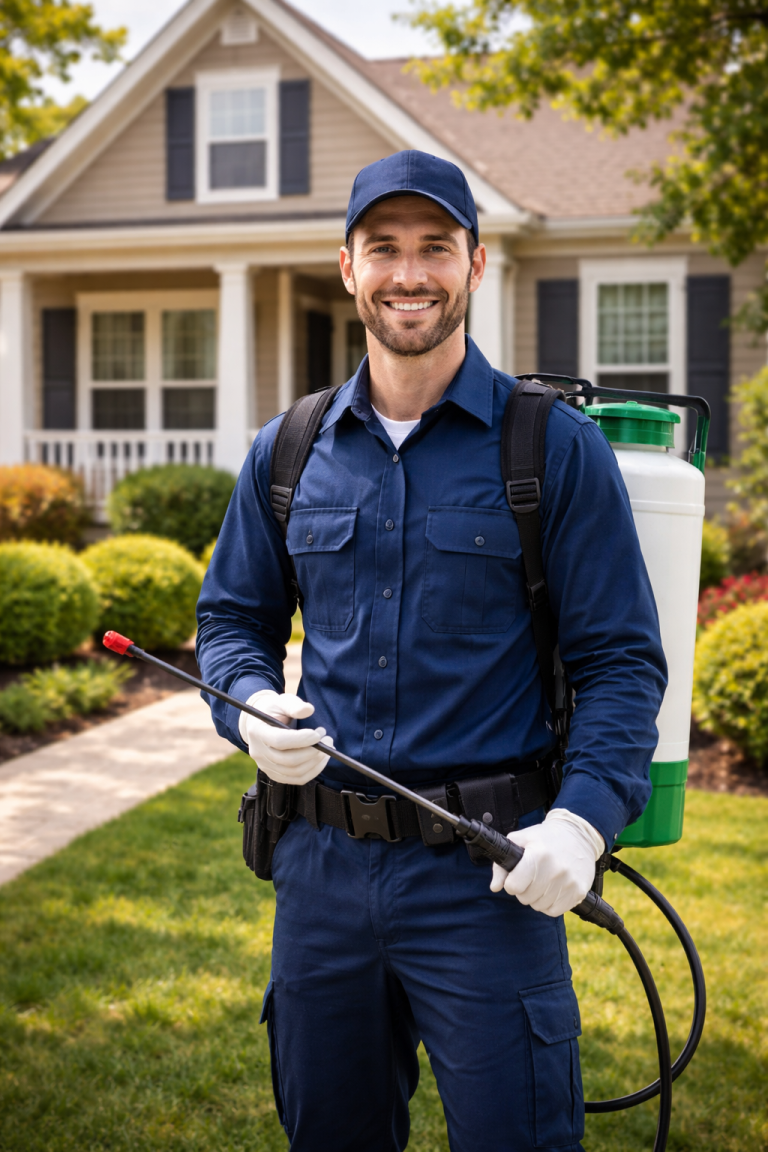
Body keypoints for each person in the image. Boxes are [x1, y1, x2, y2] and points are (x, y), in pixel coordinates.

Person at [196, 149, 667, 1152]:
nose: (410, 273)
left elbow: (622, 663)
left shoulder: (552, 449)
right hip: (318, 877)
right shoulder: (287, 450)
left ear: (478, 266)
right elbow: (231, 624)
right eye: (385, 248)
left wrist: (579, 828)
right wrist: (242, 702)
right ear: (348, 267)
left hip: (490, 881)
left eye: (435, 248)